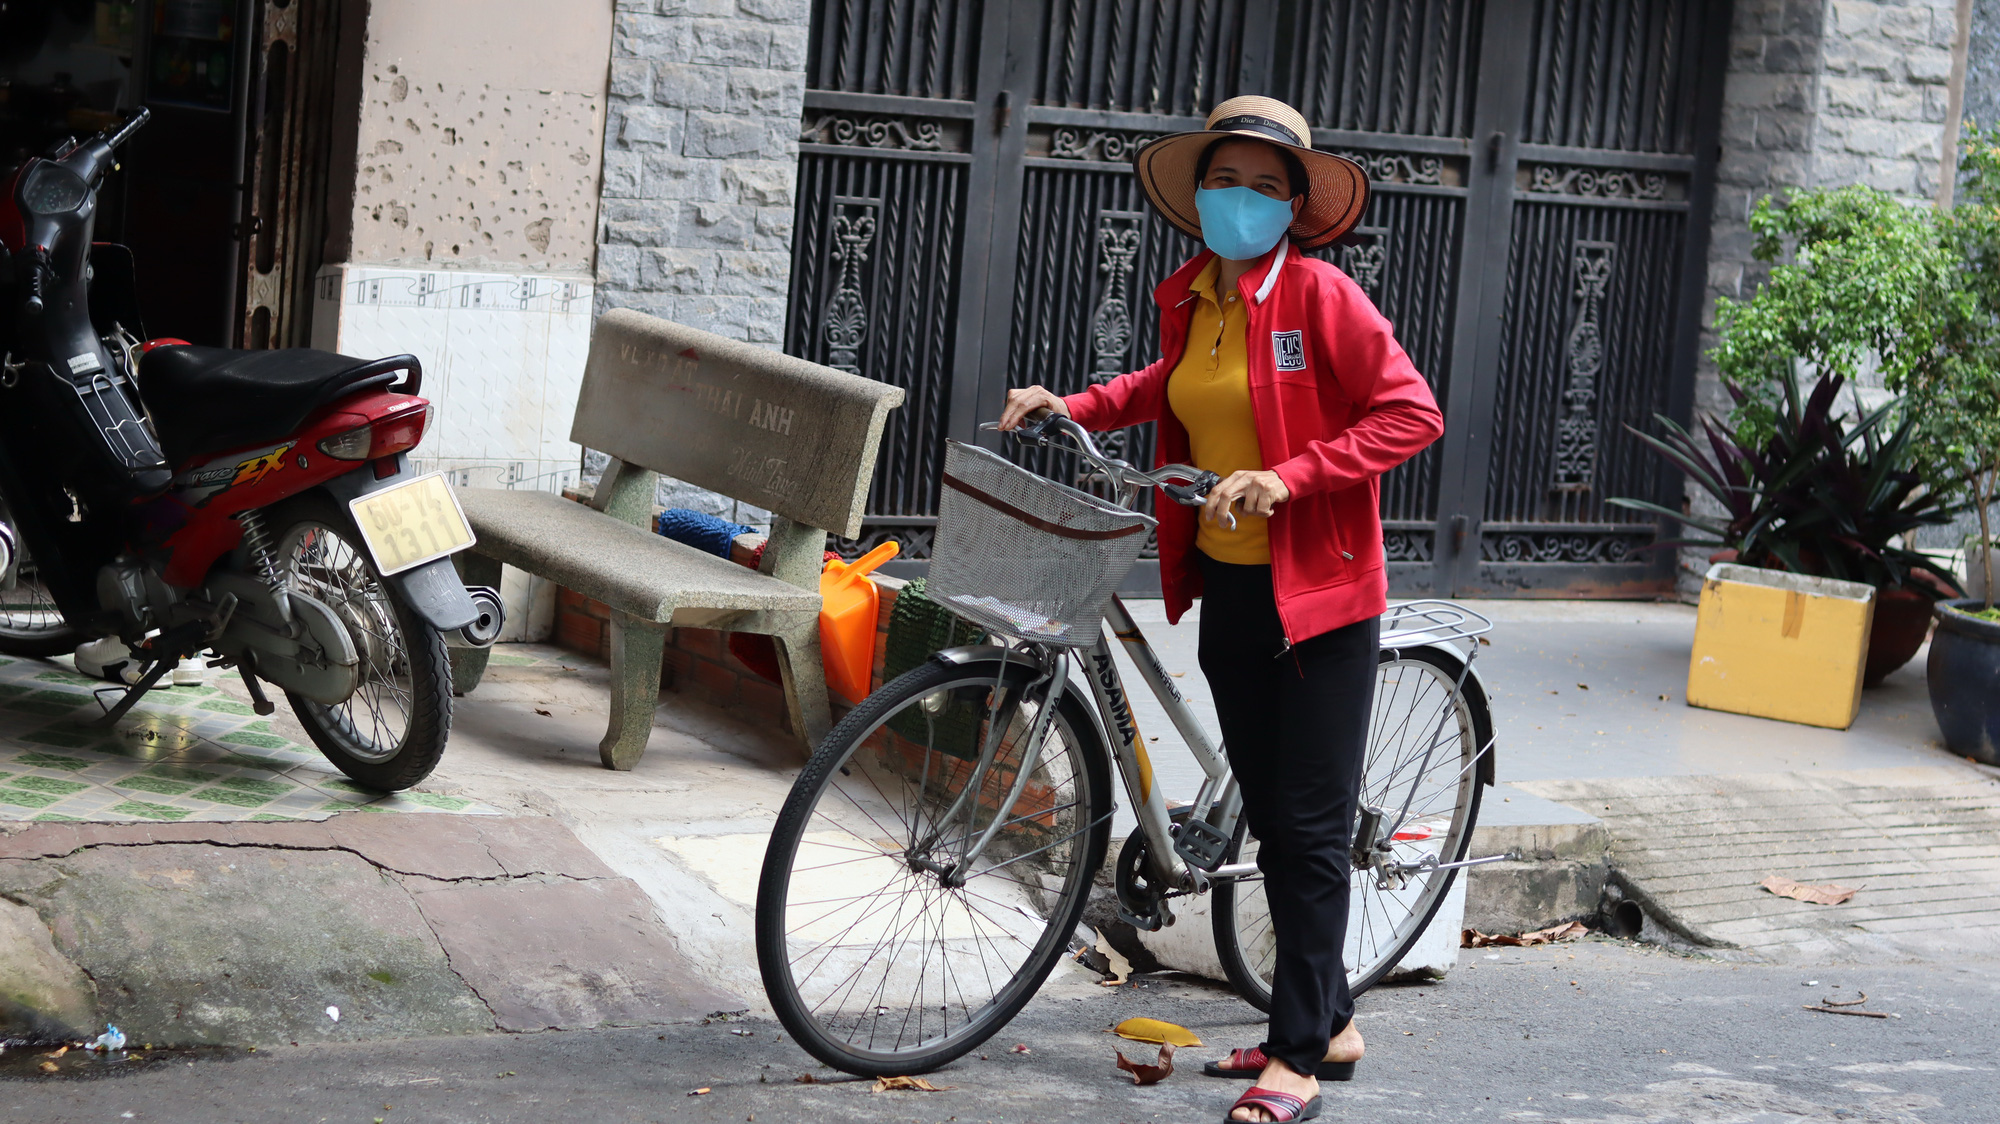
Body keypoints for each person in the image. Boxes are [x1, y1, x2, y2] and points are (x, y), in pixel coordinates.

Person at [998, 95, 1444, 1124]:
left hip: (1319, 594)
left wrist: (1293, 474)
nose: (1235, 200)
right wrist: (1078, 403)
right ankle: (1328, 1019)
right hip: (1227, 580)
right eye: (1221, 180)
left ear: (1294, 203)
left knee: (1305, 825)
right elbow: (1174, 387)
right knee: (1269, 806)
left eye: (1260, 185)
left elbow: (1409, 410)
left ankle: (1297, 1060)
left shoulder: (1321, 298)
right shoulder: (1195, 297)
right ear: (1194, 192)